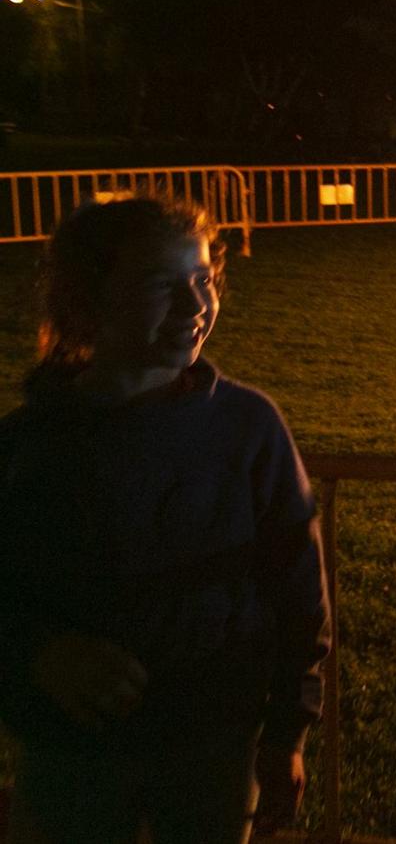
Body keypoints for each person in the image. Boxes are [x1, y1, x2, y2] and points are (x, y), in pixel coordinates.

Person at [0, 195, 329, 843]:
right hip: (71, 757)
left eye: (203, 280)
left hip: (211, 751)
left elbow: (297, 590)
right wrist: (39, 656)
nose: (194, 306)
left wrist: (288, 730)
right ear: (89, 298)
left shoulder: (248, 428)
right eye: (160, 285)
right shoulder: (30, 447)